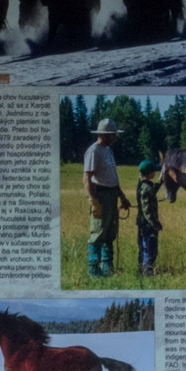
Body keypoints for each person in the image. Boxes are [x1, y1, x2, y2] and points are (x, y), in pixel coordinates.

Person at [83, 118, 127, 277]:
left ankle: (107, 268)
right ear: (102, 134)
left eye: (114, 134)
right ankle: (93, 270)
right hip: (100, 196)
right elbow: (87, 178)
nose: (114, 137)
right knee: (97, 233)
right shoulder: (94, 151)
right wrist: (93, 200)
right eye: (111, 135)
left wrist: (122, 197)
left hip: (112, 195)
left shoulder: (108, 151)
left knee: (109, 233)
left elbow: (112, 177)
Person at [135, 158, 162, 277]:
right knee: (149, 248)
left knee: (144, 247)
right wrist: (155, 224)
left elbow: (152, 190)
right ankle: (147, 272)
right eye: (154, 171)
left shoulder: (143, 185)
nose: (155, 173)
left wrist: (161, 181)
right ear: (150, 173)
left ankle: (141, 270)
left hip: (142, 223)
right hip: (147, 224)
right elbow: (146, 210)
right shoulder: (146, 188)